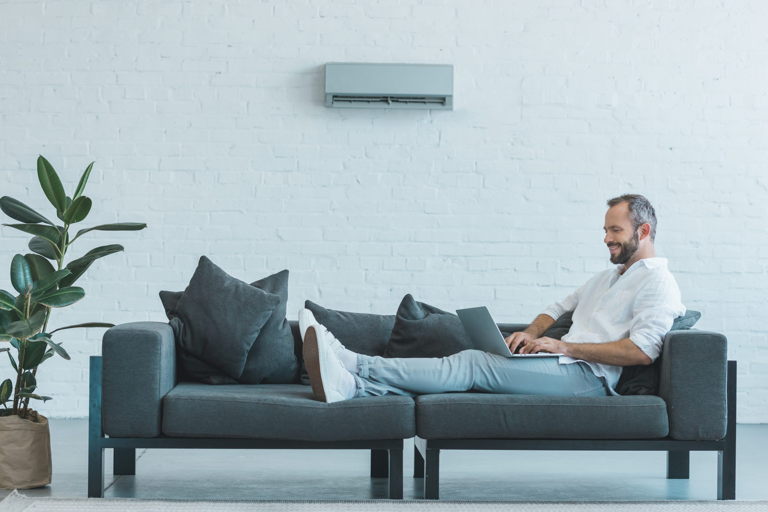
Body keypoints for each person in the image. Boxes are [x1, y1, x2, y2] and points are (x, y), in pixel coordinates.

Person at [301, 194, 686, 403]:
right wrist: (528, 333)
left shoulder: (658, 283)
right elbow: (556, 309)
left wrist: (566, 349)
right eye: (604, 230)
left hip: (589, 378)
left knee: (472, 365)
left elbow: (642, 352)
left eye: (615, 230)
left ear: (645, 230)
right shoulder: (607, 277)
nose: (606, 238)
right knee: (478, 361)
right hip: (562, 364)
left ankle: (357, 365)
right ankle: (352, 388)